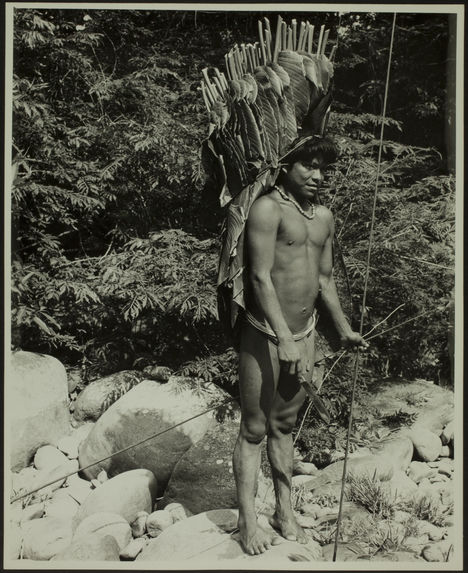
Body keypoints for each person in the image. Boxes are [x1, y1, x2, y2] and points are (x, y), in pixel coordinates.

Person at [232, 136, 368, 555]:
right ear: (287, 166)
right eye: (308, 166)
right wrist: (284, 339)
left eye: (323, 169)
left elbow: (325, 280)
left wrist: (343, 328)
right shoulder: (267, 209)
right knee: (254, 428)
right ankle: (247, 521)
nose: (318, 176)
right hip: (265, 334)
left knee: (284, 426)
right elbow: (258, 278)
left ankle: (283, 511)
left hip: (304, 335)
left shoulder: (323, 217)